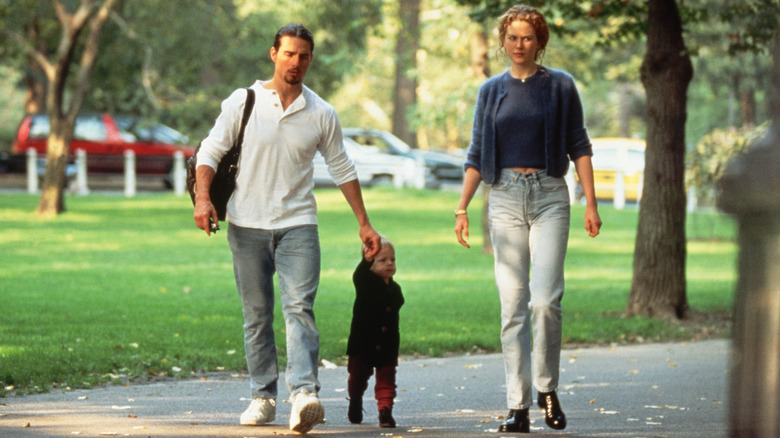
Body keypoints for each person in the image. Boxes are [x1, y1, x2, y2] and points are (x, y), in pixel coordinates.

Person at [193, 23, 381, 434]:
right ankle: (262, 397)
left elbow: (342, 167)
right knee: (257, 315)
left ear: (310, 60)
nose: (296, 62)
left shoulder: (321, 112)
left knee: (299, 308)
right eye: (289, 54)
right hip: (246, 225)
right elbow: (210, 150)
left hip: (298, 225)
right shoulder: (244, 101)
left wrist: (364, 223)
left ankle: (303, 395)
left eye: (304, 56)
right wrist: (203, 198)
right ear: (274, 54)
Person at [453, 5, 602, 434]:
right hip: (504, 199)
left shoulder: (560, 86)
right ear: (503, 42)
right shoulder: (491, 91)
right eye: (513, 38)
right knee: (512, 306)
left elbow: (580, 145)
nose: (520, 45)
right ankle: (517, 407)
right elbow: (477, 153)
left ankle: (546, 388)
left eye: (528, 38)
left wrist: (590, 203)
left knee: (545, 300)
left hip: (551, 195)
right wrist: (462, 207)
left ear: (540, 42)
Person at [345, 237, 404, 428]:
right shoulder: (365, 282)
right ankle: (355, 400)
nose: (389, 263)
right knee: (357, 378)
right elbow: (360, 273)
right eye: (382, 260)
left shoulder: (395, 289)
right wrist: (367, 259)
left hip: (388, 344)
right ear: (370, 264)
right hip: (363, 343)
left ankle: (385, 411)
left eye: (392, 259)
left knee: (387, 379)